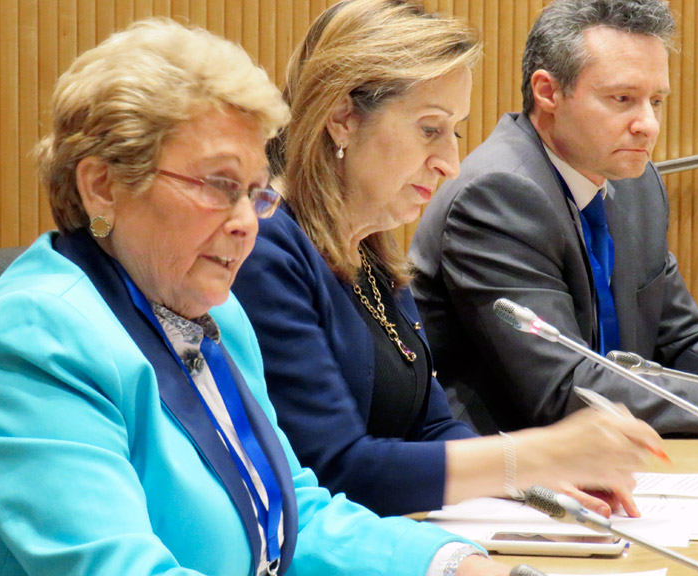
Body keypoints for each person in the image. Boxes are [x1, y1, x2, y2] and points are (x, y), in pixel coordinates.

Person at [0, 18, 524, 576]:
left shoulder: (214, 316)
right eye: (216, 185)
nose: (246, 221)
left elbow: (294, 512)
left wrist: (450, 562)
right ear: (103, 186)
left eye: (254, 191)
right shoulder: (29, 343)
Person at [224, 0, 662, 522]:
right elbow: (337, 469)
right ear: (342, 118)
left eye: (453, 132)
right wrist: (535, 455)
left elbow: (432, 428)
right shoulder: (266, 248)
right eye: (430, 129)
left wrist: (536, 482)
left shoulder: (372, 252)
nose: (451, 164)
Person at [410, 0, 698, 437]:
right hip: (509, 473)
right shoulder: (496, 195)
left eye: (656, 101)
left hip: (613, 459)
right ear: (548, 92)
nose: (648, 124)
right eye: (623, 99)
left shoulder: (636, 184)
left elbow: (682, 339)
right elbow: (564, 389)